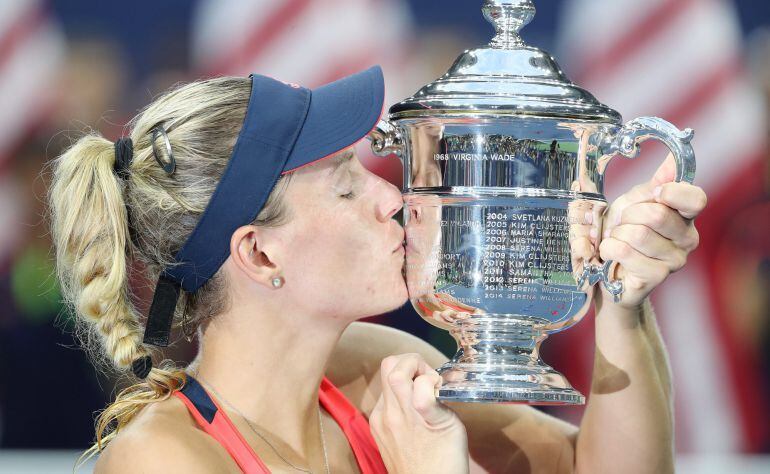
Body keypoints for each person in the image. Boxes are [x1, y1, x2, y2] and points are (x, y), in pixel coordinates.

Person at [47, 64, 706, 473]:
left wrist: (622, 302)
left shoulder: (370, 368)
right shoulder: (161, 462)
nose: (391, 197)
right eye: (343, 185)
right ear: (258, 252)